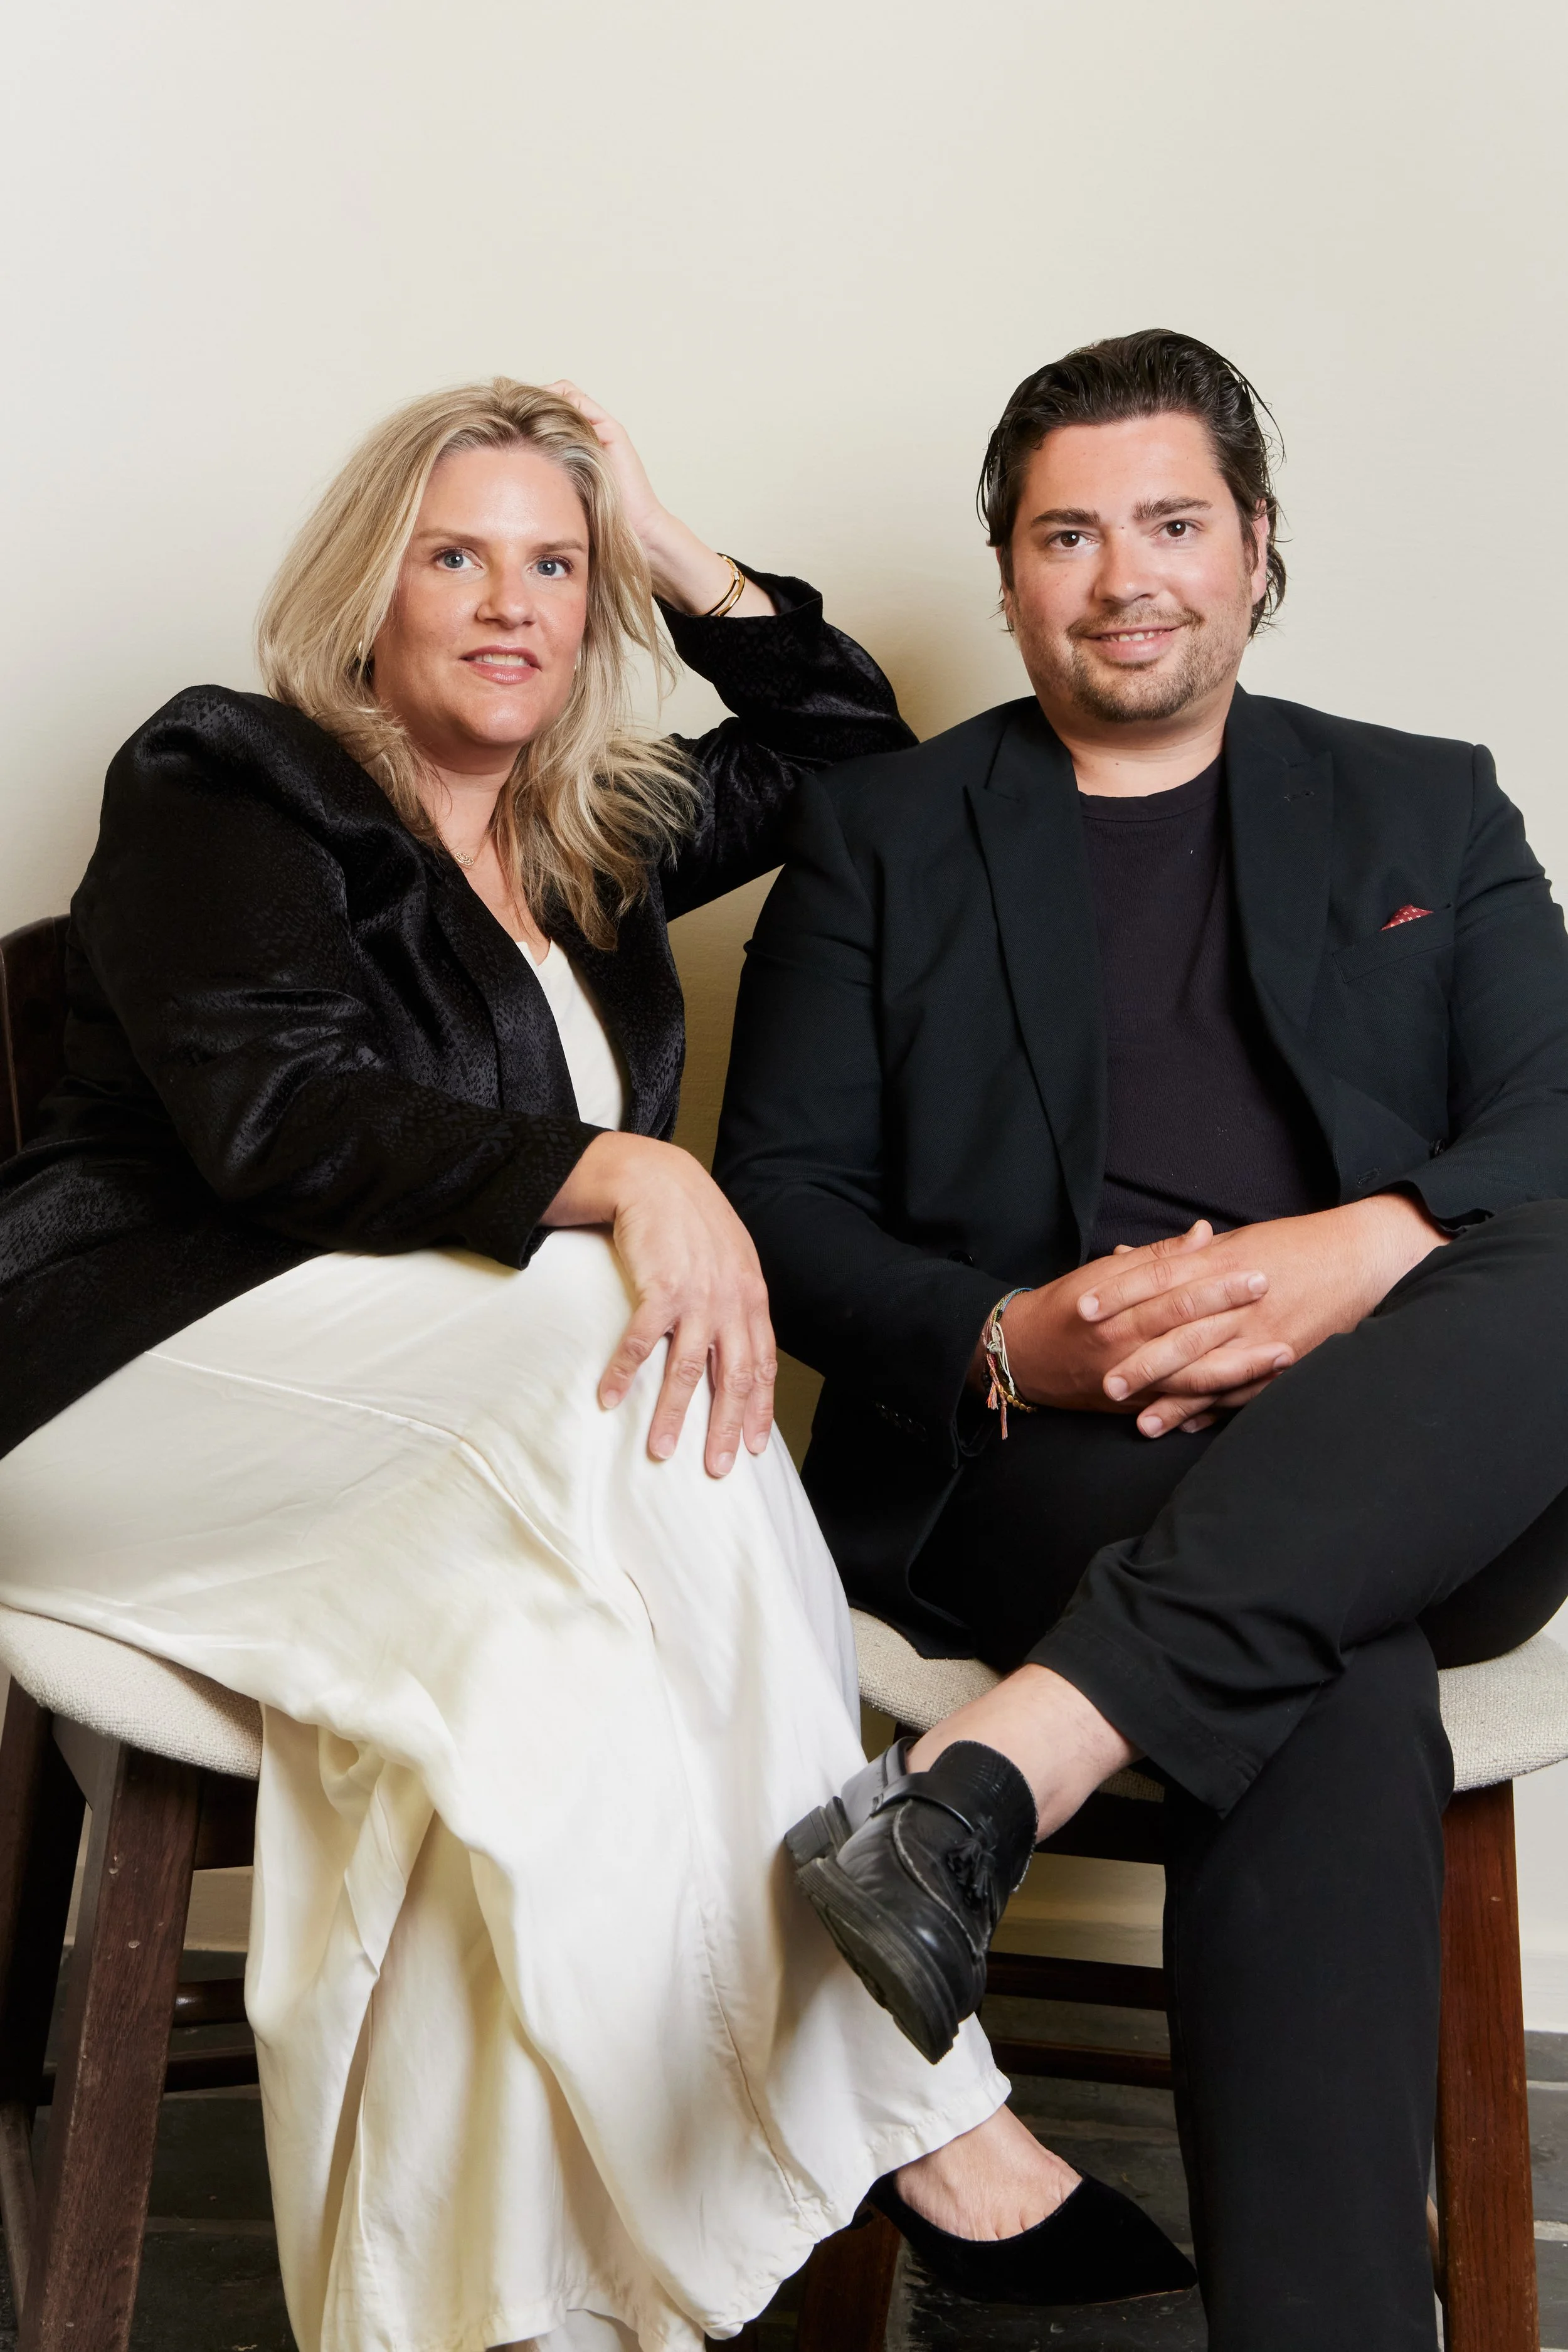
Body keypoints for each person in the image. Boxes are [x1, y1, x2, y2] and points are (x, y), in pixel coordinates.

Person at [0, 378, 1195, 2352]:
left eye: (550, 566)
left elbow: (847, 748)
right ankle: (926, 2096)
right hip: (122, 1385)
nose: (507, 603)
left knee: (531, 1688)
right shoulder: (229, 779)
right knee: (602, 1309)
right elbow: (276, 1123)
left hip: (444, 1446)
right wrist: (625, 1164)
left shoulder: (593, 841)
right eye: (454, 554)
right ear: (366, 587)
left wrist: (660, 536)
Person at [715, 328, 1568, 2350]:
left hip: (1429, 1423)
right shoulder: (886, 836)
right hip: (1053, 1450)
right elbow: (777, 1204)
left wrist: (1352, 1254)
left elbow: (1552, 1124)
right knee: (1328, 1674)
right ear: (1006, 572)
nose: (1126, 577)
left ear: (1258, 549)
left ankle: (981, 1784)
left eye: (1173, 522)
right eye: (1067, 534)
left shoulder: (1424, 806)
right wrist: (1016, 1335)